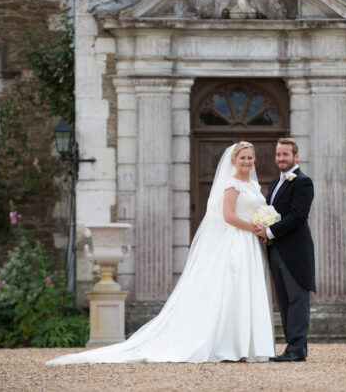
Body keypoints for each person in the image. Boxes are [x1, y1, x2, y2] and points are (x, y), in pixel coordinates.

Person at [47, 142, 275, 364]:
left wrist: (263, 226)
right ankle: (229, 346)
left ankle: (248, 346)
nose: (247, 161)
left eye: (250, 157)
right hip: (236, 242)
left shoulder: (254, 186)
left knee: (248, 289)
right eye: (242, 157)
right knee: (233, 288)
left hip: (251, 244)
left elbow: (255, 211)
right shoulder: (232, 185)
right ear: (234, 161)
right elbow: (228, 216)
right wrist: (255, 228)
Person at [254, 137, 315, 362]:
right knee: (285, 300)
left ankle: (296, 349)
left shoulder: (303, 182)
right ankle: (294, 347)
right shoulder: (274, 182)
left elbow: (298, 216)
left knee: (297, 300)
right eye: (278, 154)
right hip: (276, 250)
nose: (281, 158)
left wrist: (269, 232)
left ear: (295, 156)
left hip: (296, 252)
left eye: (285, 155)